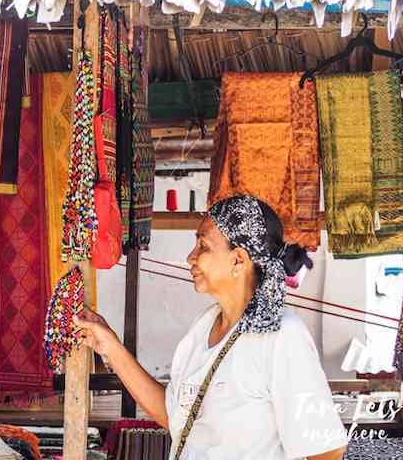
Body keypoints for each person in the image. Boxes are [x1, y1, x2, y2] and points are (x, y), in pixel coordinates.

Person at [75, 195, 348, 459]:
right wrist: (109, 346)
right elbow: (174, 416)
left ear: (238, 260)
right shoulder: (204, 326)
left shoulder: (282, 336)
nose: (191, 257)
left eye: (203, 246)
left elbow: (326, 450)